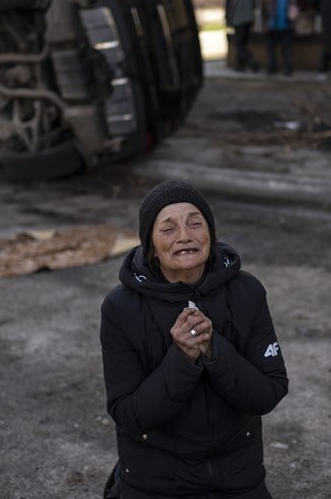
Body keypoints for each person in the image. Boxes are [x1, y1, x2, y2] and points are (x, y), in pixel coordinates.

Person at [101, 180, 289, 499]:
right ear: (151, 245)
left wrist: (214, 350)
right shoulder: (121, 308)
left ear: (210, 235)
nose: (185, 236)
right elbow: (130, 414)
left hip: (236, 474)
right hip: (157, 479)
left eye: (195, 223)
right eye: (168, 228)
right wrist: (182, 357)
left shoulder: (247, 292)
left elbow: (268, 392)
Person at [226, 0, 260, 73]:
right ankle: (240, 66)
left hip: (238, 20)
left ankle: (251, 61)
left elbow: (230, 5)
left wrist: (228, 19)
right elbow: (256, 3)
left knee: (239, 44)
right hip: (249, 19)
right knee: (243, 42)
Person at [262, 0, 293, 77]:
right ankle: (288, 69)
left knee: (270, 48)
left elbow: (273, 14)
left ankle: (273, 67)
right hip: (287, 26)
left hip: (276, 27)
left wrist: (269, 27)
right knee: (286, 50)